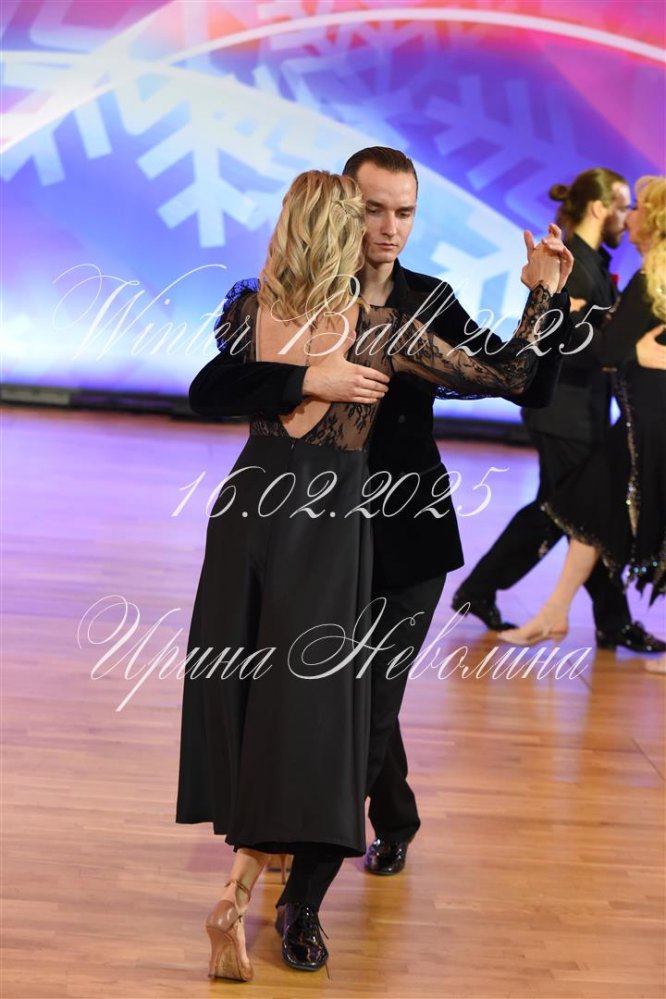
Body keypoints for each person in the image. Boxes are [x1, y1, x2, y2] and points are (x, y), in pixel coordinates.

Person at [177, 168, 570, 980]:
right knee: (329, 710)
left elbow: (518, 378)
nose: (390, 227)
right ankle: (377, 819)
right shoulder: (276, 306)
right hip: (311, 533)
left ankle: (300, 903)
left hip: (400, 541)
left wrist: (545, 299)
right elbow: (211, 384)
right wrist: (307, 378)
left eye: (406, 213)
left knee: (361, 713)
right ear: (345, 212)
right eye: (375, 211)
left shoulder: (423, 305)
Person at [453, 168, 665, 655]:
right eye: (622, 206)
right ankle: (608, 620)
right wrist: (624, 348)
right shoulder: (579, 266)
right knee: (573, 510)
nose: (626, 216)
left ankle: (497, 594)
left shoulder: (596, 263)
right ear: (599, 208)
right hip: (563, 410)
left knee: (568, 511)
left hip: (583, 409)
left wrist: (605, 330)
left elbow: (607, 333)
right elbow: (566, 343)